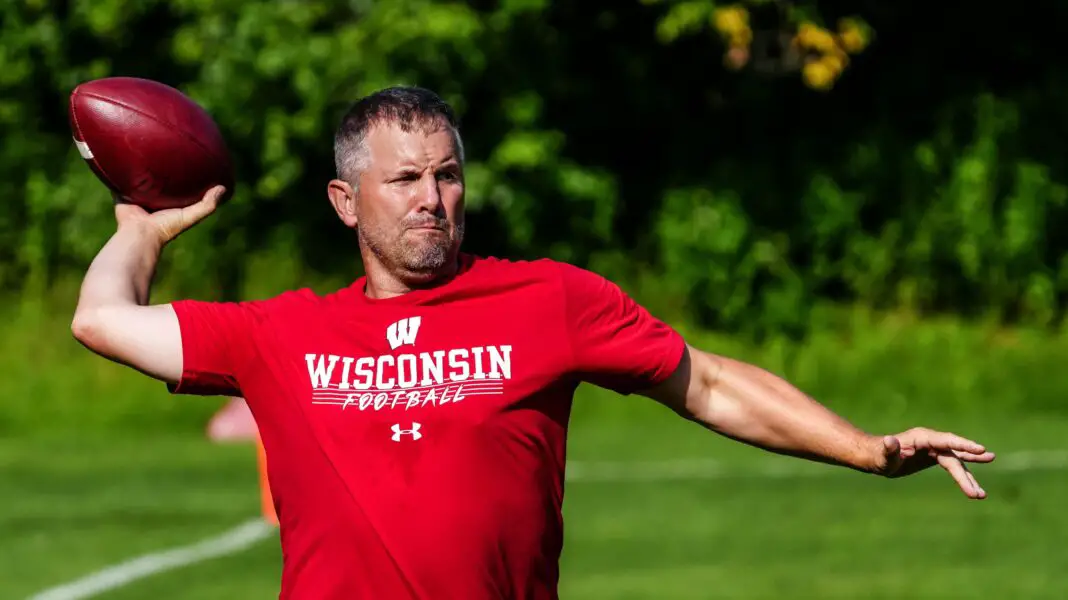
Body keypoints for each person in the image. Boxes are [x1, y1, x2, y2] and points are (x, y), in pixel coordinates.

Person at [70, 86, 996, 600]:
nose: (433, 199)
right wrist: (144, 232)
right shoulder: (281, 331)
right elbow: (101, 320)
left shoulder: (546, 299)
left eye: (447, 175)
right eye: (404, 181)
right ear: (347, 203)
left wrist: (868, 451)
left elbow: (707, 383)